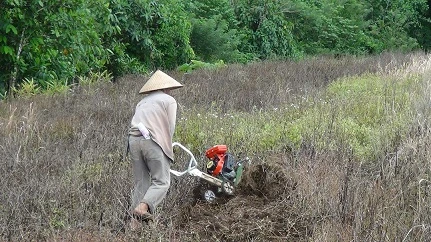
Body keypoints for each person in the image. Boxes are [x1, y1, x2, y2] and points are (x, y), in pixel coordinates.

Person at [127, 70, 183, 229]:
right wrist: (167, 146)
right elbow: (169, 127)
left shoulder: (142, 102)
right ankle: (142, 208)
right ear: (166, 88)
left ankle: (134, 227)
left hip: (133, 141)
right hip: (152, 142)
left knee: (141, 183)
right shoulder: (169, 100)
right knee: (162, 181)